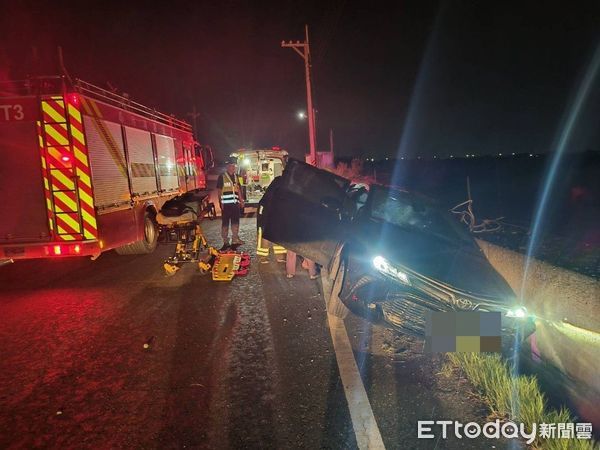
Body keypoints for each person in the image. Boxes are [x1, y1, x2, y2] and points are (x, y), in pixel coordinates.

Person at [216, 158, 244, 247]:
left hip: (235, 204)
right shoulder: (222, 177)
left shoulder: (236, 177)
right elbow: (219, 191)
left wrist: (241, 200)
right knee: (225, 223)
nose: (233, 167)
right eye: (231, 166)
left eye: (234, 166)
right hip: (226, 205)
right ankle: (225, 241)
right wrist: (220, 203)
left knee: (235, 222)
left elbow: (238, 190)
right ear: (227, 167)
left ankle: (235, 239)